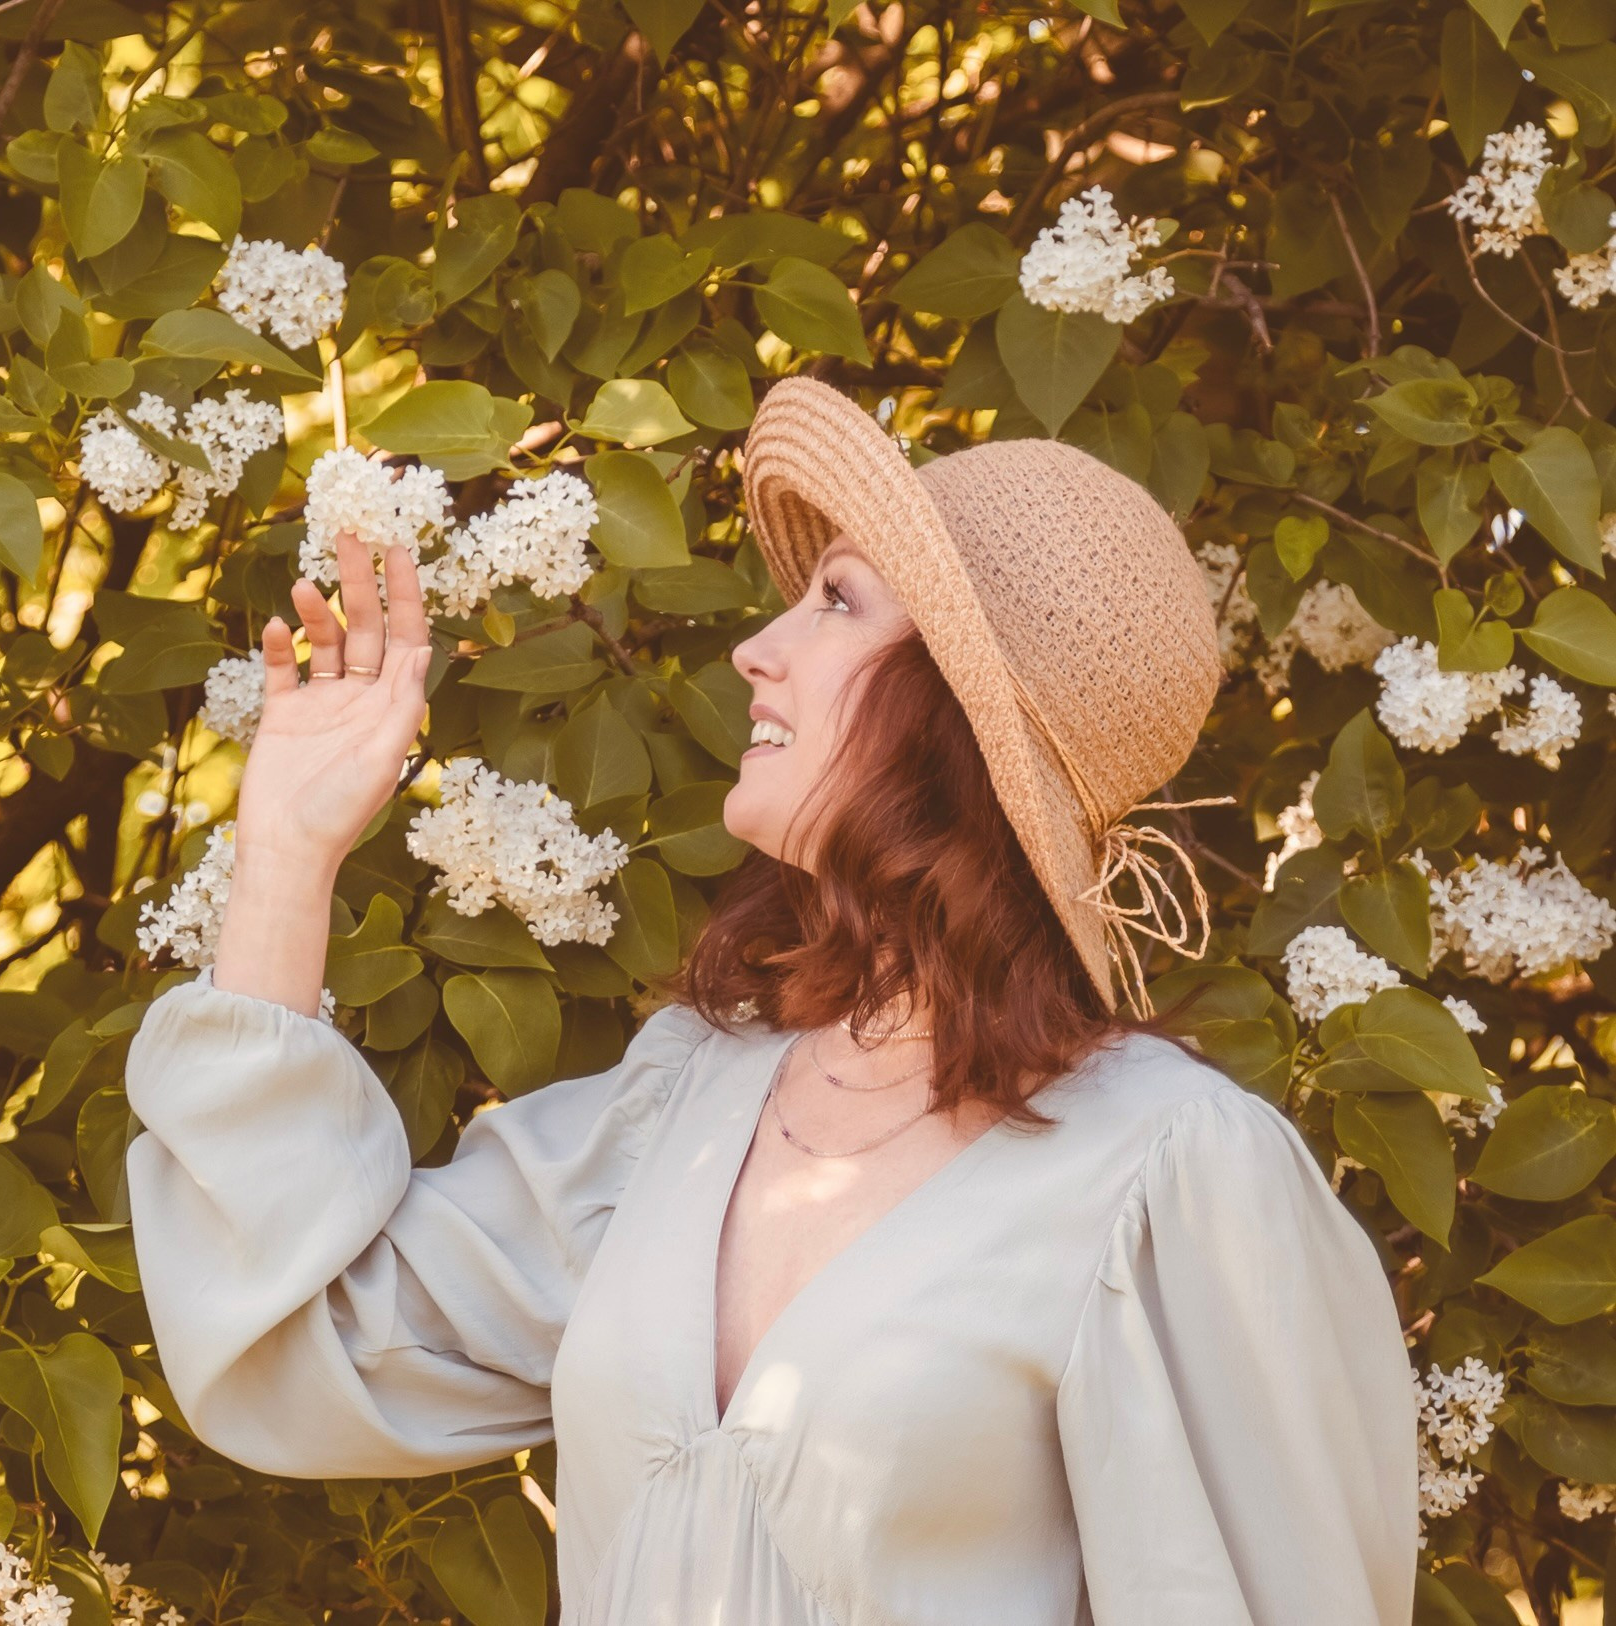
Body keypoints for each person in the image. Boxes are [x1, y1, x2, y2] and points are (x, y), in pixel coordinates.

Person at [125, 377, 1419, 1624]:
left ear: (957, 710)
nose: (757, 648)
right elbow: (309, 1337)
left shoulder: (1166, 1174)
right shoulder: (692, 1099)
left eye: (837, 603)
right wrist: (288, 854)